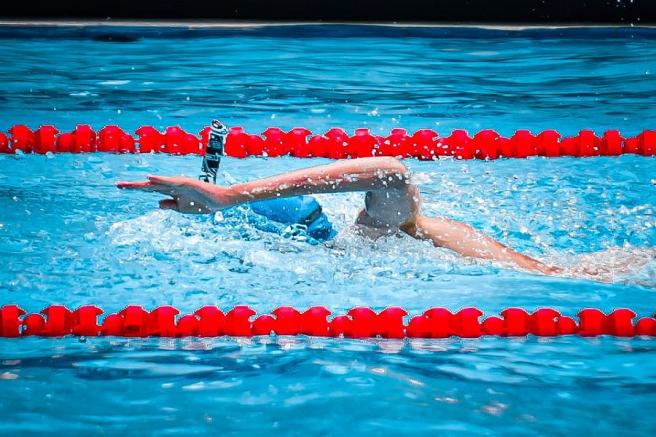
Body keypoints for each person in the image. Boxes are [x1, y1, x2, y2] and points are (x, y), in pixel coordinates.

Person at [117, 156, 569, 277]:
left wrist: (230, 197)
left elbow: (391, 172)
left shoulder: (379, 237)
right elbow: (390, 176)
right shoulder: (379, 238)